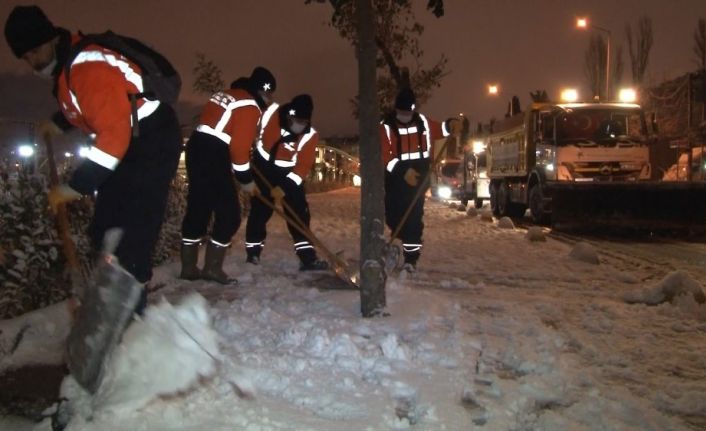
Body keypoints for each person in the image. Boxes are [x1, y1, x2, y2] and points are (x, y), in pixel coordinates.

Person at [4, 5, 182, 309]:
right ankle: (111, 300)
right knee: (105, 228)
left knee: (132, 233)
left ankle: (128, 317)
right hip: (132, 142)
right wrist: (59, 122)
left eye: (34, 51)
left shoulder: (86, 66)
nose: (32, 61)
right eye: (25, 56)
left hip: (151, 143)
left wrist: (76, 186)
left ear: (49, 39)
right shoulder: (69, 65)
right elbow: (93, 107)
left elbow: (112, 139)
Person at [179, 67, 276, 284]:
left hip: (196, 147)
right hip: (214, 153)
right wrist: (246, 180)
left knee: (199, 207)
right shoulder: (250, 105)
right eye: (269, 95)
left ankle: (188, 267)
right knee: (230, 214)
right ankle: (212, 268)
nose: (269, 100)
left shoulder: (227, 94)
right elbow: (239, 150)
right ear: (263, 92)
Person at [244, 94, 329, 271]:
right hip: (262, 168)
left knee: (299, 215)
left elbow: (303, 167)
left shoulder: (310, 135)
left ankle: (307, 258)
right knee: (260, 211)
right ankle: (253, 253)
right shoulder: (270, 112)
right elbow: (250, 126)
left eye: (304, 121)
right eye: (296, 120)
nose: (300, 124)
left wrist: (285, 187)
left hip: (288, 175)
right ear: (289, 115)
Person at [380, 87, 458, 272]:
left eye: (407, 112)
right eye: (401, 112)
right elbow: (385, 155)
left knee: (414, 219)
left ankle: (411, 259)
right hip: (396, 180)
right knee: (394, 217)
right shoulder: (386, 126)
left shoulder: (423, 122)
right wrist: (401, 171)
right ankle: (400, 238)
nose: (404, 115)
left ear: (413, 110)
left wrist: (451, 124)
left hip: (419, 179)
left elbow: (441, 129)